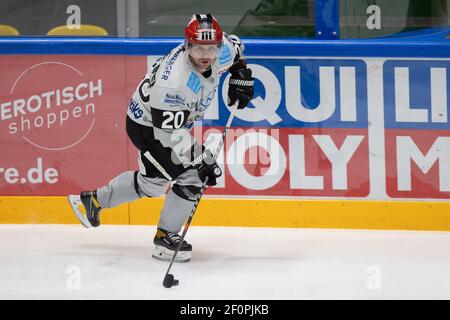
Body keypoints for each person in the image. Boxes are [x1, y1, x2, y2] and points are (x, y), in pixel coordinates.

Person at [68, 14, 254, 263]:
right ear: (187, 45)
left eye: (211, 48)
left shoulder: (220, 50)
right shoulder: (173, 82)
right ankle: (165, 238)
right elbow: (169, 135)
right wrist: (201, 158)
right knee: (193, 175)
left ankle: (93, 201)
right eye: (198, 48)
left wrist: (239, 72)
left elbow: (238, 46)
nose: (205, 55)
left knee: (152, 184)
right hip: (149, 128)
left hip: (165, 124)